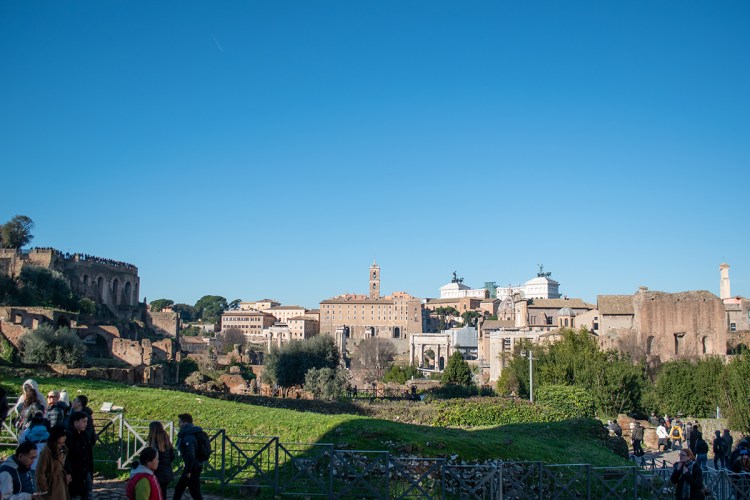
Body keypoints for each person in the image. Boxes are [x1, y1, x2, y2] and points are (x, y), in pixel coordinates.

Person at [35, 425, 71, 500]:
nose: (65, 438)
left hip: (60, 483)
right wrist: (44, 488)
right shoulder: (46, 451)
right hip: (51, 486)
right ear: (57, 436)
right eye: (63, 436)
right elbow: (40, 472)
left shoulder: (63, 448)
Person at [173, 413, 203, 500]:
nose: (179, 424)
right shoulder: (190, 433)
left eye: (180, 422)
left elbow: (191, 455)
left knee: (182, 489)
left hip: (192, 467)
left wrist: (188, 471)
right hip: (195, 465)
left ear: (185, 423)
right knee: (191, 490)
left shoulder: (188, 436)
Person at [66, 411, 92, 500]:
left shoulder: (83, 435)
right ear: (75, 422)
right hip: (74, 474)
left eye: (86, 421)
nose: (86, 424)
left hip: (85, 472)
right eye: (83, 421)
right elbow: (66, 456)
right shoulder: (69, 436)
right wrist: (68, 472)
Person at [146, 421, 174, 499]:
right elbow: (172, 456)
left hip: (157, 473)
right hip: (166, 472)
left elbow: (150, 459)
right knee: (162, 493)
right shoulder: (167, 441)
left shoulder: (154, 442)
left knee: (156, 494)